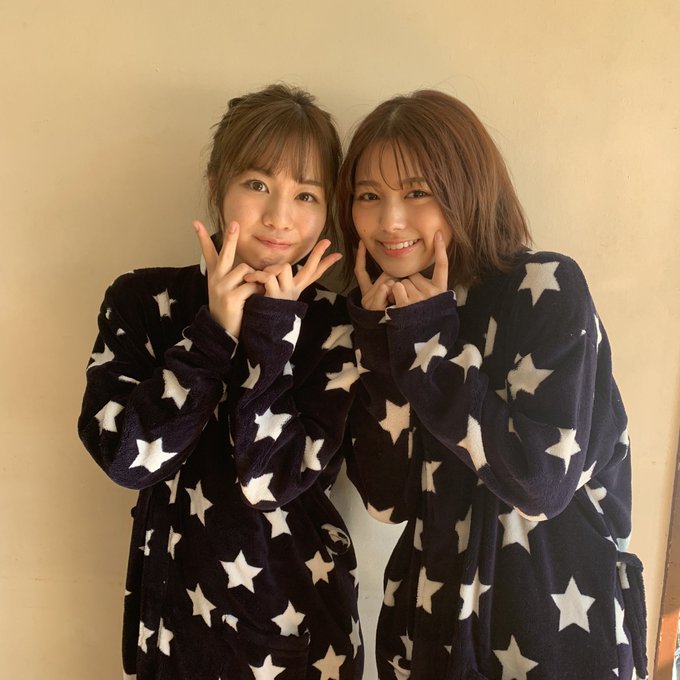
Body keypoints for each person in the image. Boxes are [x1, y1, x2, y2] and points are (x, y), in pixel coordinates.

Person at [337, 90, 647, 680]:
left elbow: (540, 482)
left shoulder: (547, 287)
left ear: (466, 189)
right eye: (368, 196)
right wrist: (382, 348)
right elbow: (386, 502)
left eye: (417, 192)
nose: (389, 221)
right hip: (429, 628)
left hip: (556, 629)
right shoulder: (387, 313)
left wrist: (429, 349)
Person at [78, 84, 363, 680]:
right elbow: (127, 460)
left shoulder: (338, 326)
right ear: (217, 186)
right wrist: (212, 333)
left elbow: (272, 479)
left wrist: (273, 332)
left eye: (306, 194)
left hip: (303, 632)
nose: (279, 216)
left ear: (328, 210)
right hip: (173, 633)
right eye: (257, 184)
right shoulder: (141, 300)